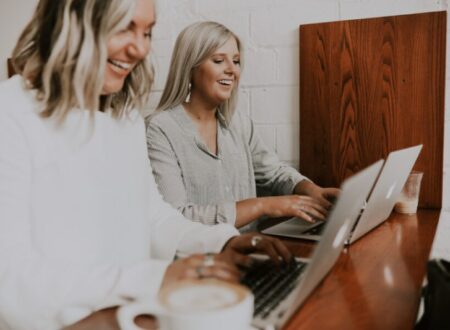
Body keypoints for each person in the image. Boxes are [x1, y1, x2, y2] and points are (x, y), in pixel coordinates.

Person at [0, 2, 291, 329]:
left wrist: (220, 241)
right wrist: (154, 278)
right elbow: (9, 278)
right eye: (124, 26)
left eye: (147, 32)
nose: (140, 48)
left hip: (134, 317)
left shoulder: (125, 120)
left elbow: (154, 216)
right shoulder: (10, 115)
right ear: (72, 21)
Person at [146, 21, 340, 228]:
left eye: (236, 61)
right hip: (200, 258)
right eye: (219, 60)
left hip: (250, 251)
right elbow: (176, 217)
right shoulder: (159, 129)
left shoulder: (238, 124)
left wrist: (311, 190)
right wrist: (262, 206)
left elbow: (273, 172)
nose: (232, 70)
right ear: (191, 67)